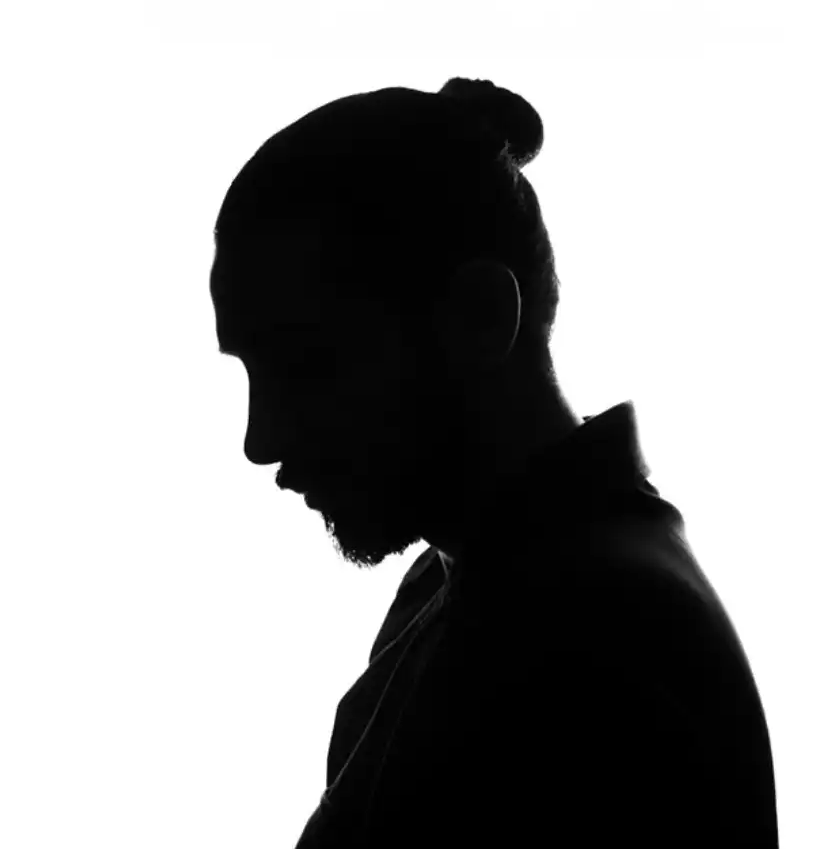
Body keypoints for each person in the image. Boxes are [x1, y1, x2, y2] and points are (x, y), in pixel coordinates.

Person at [209, 77, 779, 846]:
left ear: (480, 317)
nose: (262, 439)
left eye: (306, 365)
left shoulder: (593, 642)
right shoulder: (462, 582)